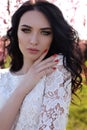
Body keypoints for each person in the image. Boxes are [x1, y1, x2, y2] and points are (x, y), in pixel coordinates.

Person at [0, 0, 82, 130]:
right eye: (26, 30)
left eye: (45, 32)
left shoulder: (56, 70)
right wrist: (23, 87)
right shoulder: (1, 77)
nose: (34, 41)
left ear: (53, 37)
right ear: (16, 32)